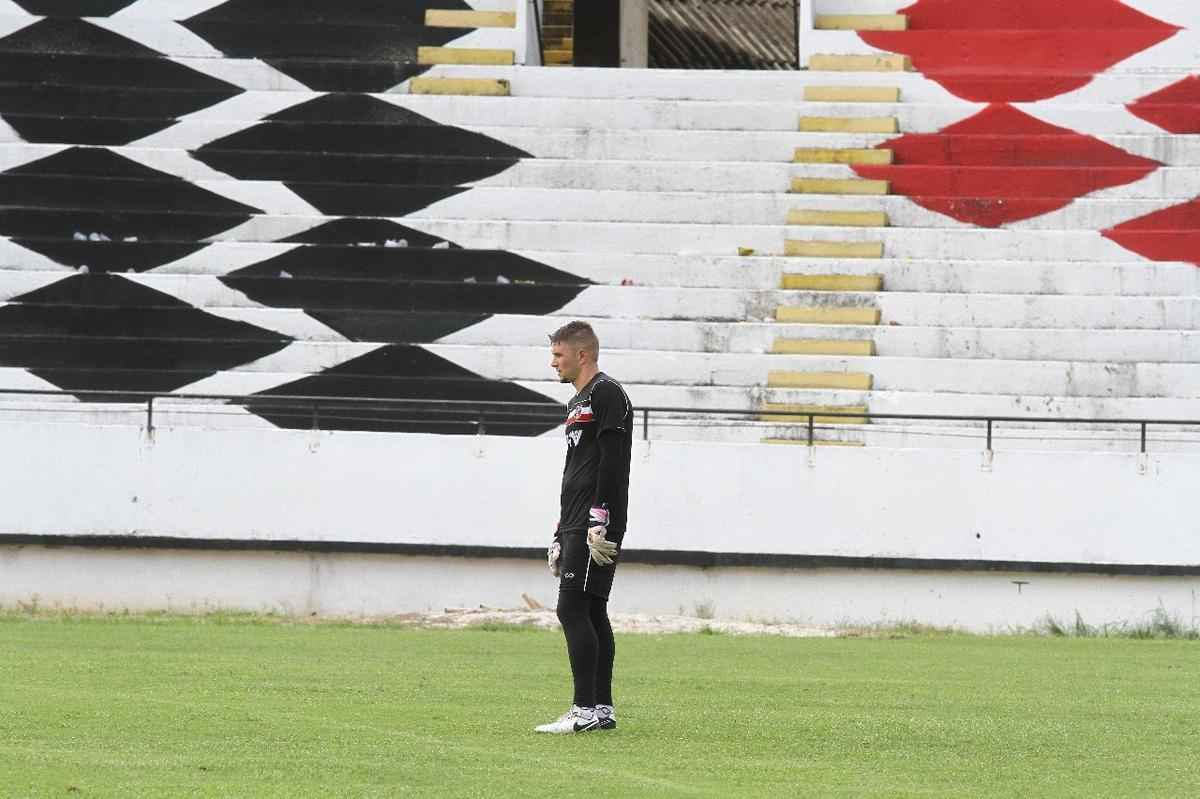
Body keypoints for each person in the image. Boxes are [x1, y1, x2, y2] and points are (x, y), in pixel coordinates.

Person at [535, 321, 634, 734]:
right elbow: (573, 469)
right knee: (592, 610)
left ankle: (584, 710)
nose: (552, 363)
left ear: (582, 355)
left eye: (559, 355)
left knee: (571, 608)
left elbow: (613, 464)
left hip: (595, 522)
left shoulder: (607, 394)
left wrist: (601, 518)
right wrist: (561, 529)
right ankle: (602, 709)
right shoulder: (576, 402)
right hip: (575, 521)